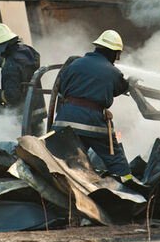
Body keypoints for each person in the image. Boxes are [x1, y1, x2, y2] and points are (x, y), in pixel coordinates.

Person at [51, 29, 133, 180]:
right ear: (113, 53)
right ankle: (130, 187)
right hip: (92, 121)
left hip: (64, 120)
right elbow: (119, 88)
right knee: (114, 157)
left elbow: (61, 88)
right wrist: (130, 84)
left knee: (60, 161)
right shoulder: (113, 72)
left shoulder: (74, 64)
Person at [0, 23, 41, 110]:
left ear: (0, 45)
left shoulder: (10, 65)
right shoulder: (26, 51)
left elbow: (10, 96)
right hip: (36, 111)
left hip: (20, 117)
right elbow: (14, 66)